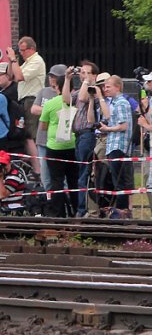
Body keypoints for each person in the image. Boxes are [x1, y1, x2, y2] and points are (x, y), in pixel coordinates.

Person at [37, 70, 77, 217]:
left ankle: (58, 212)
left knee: (56, 180)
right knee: (73, 180)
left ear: (56, 87)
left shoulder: (50, 104)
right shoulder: (74, 102)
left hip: (54, 145)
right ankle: (76, 210)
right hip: (72, 144)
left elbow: (42, 126)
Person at [97, 75, 133, 219]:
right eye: (105, 86)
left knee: (120, 182)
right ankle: (120, 211)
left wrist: (107, 129)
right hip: (114, 145)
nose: (105, 89)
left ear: (117, 87)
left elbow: (123, 125)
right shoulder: (116, 103)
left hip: (118, 145)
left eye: (108, 86)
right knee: (118, 181)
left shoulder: (121, 103)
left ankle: (121, 212)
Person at [67, 60, 100, 217]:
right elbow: (66, 99)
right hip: (78, 135)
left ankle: (83, 209)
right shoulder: (81, 88)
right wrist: (67, 79)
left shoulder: (93, 90)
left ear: (94, 75)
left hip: (88, 133)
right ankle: (82, 207)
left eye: (87, 72)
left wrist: (86, 80)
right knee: (81, 172)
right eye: (82, 72)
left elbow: (82, 97)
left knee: (84, 173)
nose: (83, 75)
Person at [8, 36, 45, 173]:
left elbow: (19, 77)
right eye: (20, 51)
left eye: (23, 50)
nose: (21, 53)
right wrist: (11, 60)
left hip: (32, 100)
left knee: (30, 134)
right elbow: (10, 75)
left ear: (32, 49)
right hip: (23, 100)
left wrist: (13, 59)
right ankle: (35, 168)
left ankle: (38, 170)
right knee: (25, 134)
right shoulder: (26, 62)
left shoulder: (36, 61)